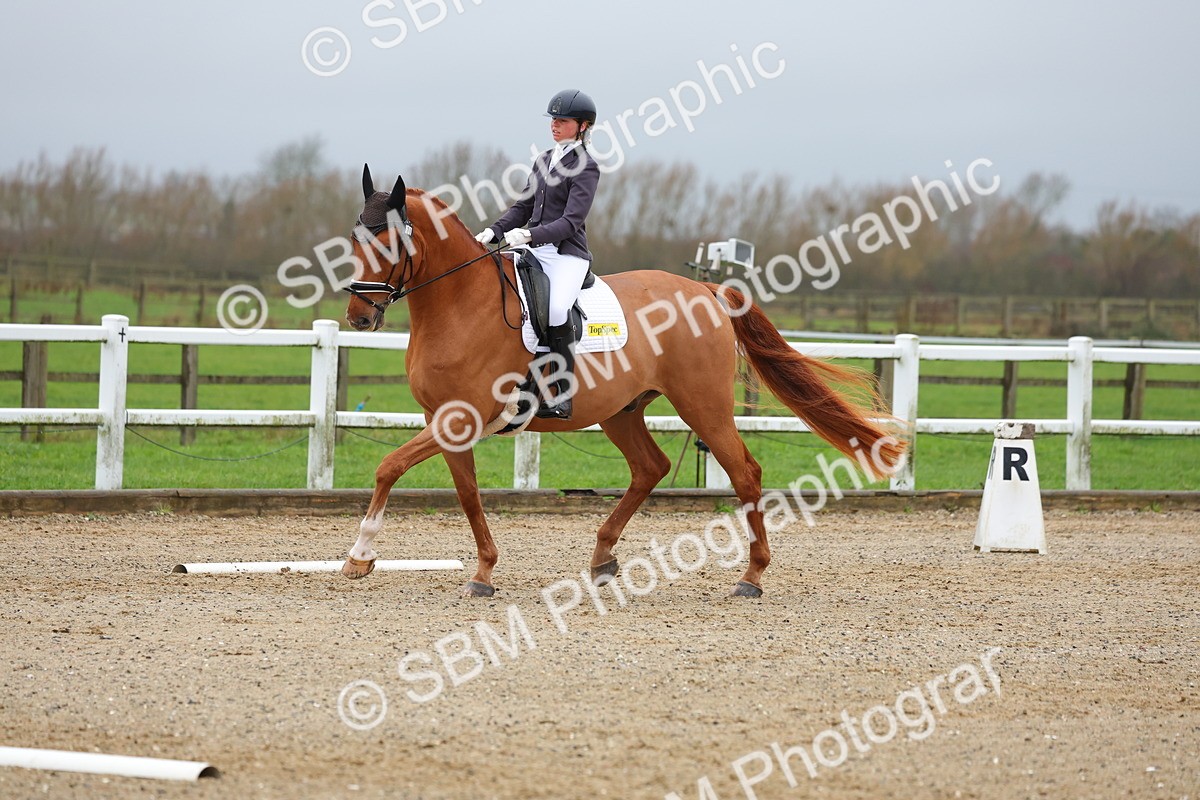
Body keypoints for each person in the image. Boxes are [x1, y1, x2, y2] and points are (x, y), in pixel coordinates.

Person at [476, 89, 600, 420]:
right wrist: (493, 231)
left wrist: (531, 234)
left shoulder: (586, 167)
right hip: (533, 250)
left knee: (557, 309)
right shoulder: (544, 160)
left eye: (563, 121)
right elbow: (524, 207)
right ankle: (523, 381)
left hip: (566, 255)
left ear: (583, 126)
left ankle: (562, 394)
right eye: (553, 120)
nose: (555, 125)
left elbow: (571, 221)